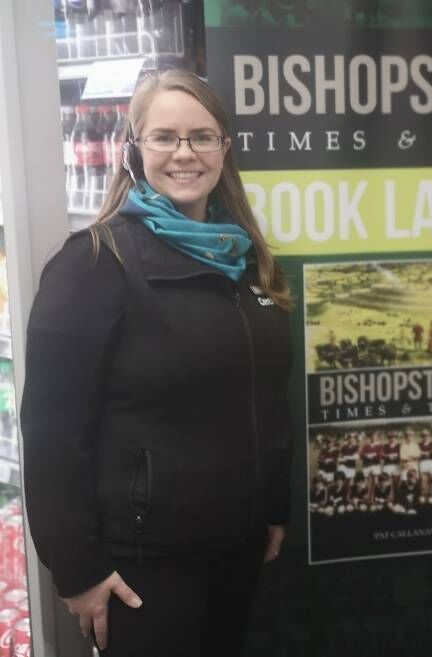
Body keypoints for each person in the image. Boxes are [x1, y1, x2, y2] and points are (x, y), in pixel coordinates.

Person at [20, 70, 294, 657]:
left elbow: (265, 398)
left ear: (226, 148)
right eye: (164, 137)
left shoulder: (246, 261)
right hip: (145, 568)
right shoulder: (93, 264)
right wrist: (78, 571)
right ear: (133, 150)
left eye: (203, 136)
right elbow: (51, 434)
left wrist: (273, 506)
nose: (185, 153)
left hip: (239, 549)